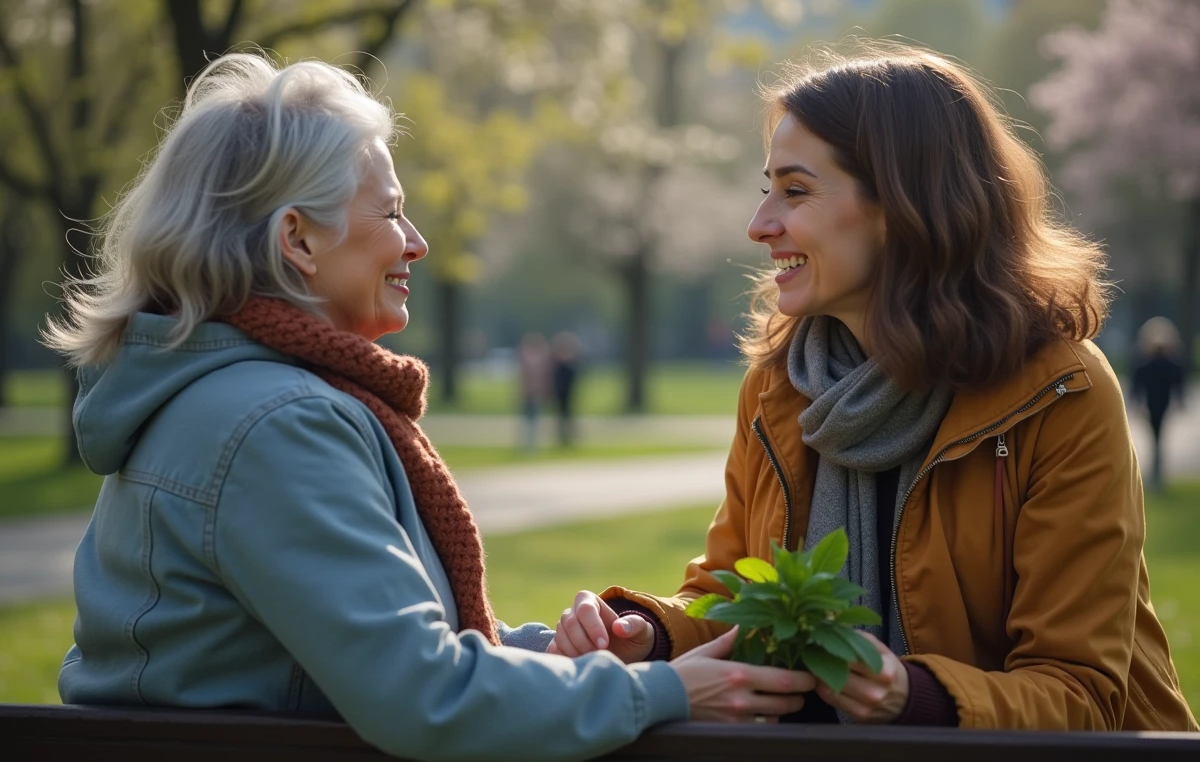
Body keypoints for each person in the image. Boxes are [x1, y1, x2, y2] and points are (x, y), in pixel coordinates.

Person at [43, 52, 817, 761]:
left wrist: (559, 653)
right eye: (389, 212)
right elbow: (423, 692)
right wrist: (666, 692)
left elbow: (377, 648)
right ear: (298, 241)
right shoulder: (273, 423)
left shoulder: (246, 398)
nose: (415, 242)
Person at [547, 44, 1198, 732]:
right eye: (766, 188)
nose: (760, 223)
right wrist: (644, 631)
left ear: (902, 203)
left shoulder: (1061, 392)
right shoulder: (779, 385)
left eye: (795, 191)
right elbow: (734, 597)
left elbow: (1083, 692)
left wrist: (914, 699)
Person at [1131, 316, 1187, 493]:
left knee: (1157, 438)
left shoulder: (1149, 363)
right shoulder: (1164, 364)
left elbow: (1177, 385)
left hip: (1158, 405)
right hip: (1156, 405)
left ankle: (1156, 474)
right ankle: (1157, 474)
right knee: (1157, 438)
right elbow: (1137, 385)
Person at [517, 332, 551, 451]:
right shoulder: (532, 359)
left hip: (534, 393)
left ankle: (531, 444)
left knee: (532, 420)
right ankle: (527, 444)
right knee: (528, 420)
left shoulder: (534, 359)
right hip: (529, 393)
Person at [551, 331, 582, 447]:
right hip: (560, 394)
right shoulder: (558, 366)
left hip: (569, 394)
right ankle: (562, 438)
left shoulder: (570, 366)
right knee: (561, 417)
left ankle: (569, 439)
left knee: (569, 417)